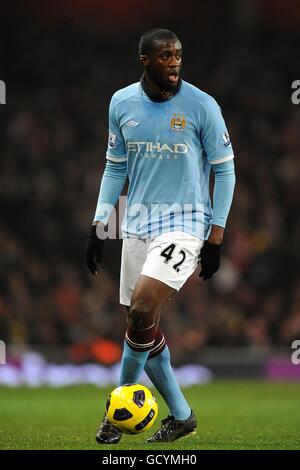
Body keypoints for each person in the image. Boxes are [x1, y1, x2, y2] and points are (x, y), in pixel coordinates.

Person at [86, 28, 236, 443]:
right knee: (143, 324)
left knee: (141, 310)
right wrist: (100, 225)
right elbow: (115, 166)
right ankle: (183, 415)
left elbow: (224, 170)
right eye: (165, 56)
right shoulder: (121, 103)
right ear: (145, 61)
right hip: (136, 225)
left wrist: (216, 237)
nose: (174, 63)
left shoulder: (202, 106)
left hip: (185, 225)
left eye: (178, 56)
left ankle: (115, 415)